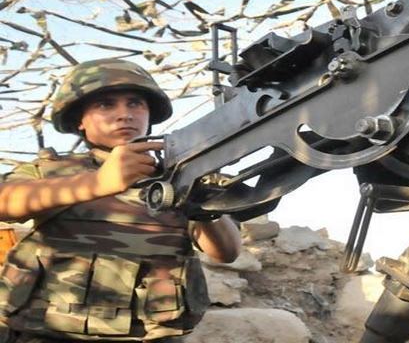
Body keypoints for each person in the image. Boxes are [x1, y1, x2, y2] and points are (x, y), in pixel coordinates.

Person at [0, 59, 241, 342]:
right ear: (80, 120)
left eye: (135, 104)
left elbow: (227, 252)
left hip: (148, 336)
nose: (124, 114)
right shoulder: (51, 171)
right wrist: (96, 183)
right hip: (44, 333)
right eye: (105, 105)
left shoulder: (181, 176)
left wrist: (200, 202)